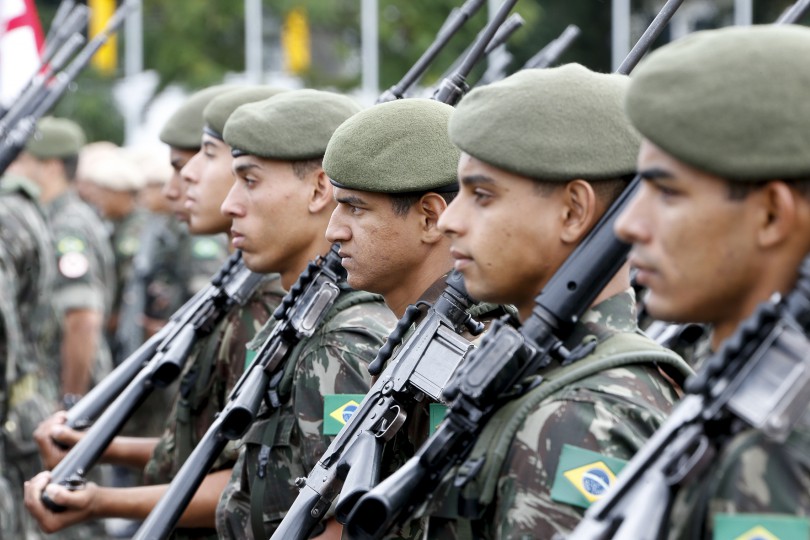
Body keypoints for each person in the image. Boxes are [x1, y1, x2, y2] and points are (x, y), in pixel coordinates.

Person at [405, 64, 692, 538]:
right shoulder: (535, 371)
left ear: (573, 211)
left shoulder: (582, 414)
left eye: (481, 195)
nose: (449, 221)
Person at [23, 86, 287, 540]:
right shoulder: (238, 287)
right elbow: (206, 448)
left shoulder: (272, 303)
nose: (173, 189)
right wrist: (96, 445)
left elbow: (259, 482)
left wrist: (102, 500)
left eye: (197, 161)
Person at [614, 24, 810, 540]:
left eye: (668, 193)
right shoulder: (748, 398)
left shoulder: (776, 451)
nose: (629, 225)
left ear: (771, 215)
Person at [322, 98, 514, 535]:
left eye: (355, 208)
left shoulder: (469, 351)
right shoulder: (414, 335)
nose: (333, 230)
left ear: (430, 218)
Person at [215, 89, 397, 539]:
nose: (229, 204)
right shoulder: (302, 320)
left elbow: (340, 522)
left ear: (318, 188)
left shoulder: (341, 342)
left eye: (250, 180)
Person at [8, 117, 116, 411]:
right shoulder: (57, 216)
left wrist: (70, 404)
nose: (12, 168)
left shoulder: (67, 227)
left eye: (23, 160)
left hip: (63, 387)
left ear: (52, 168)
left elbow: (82, 319)